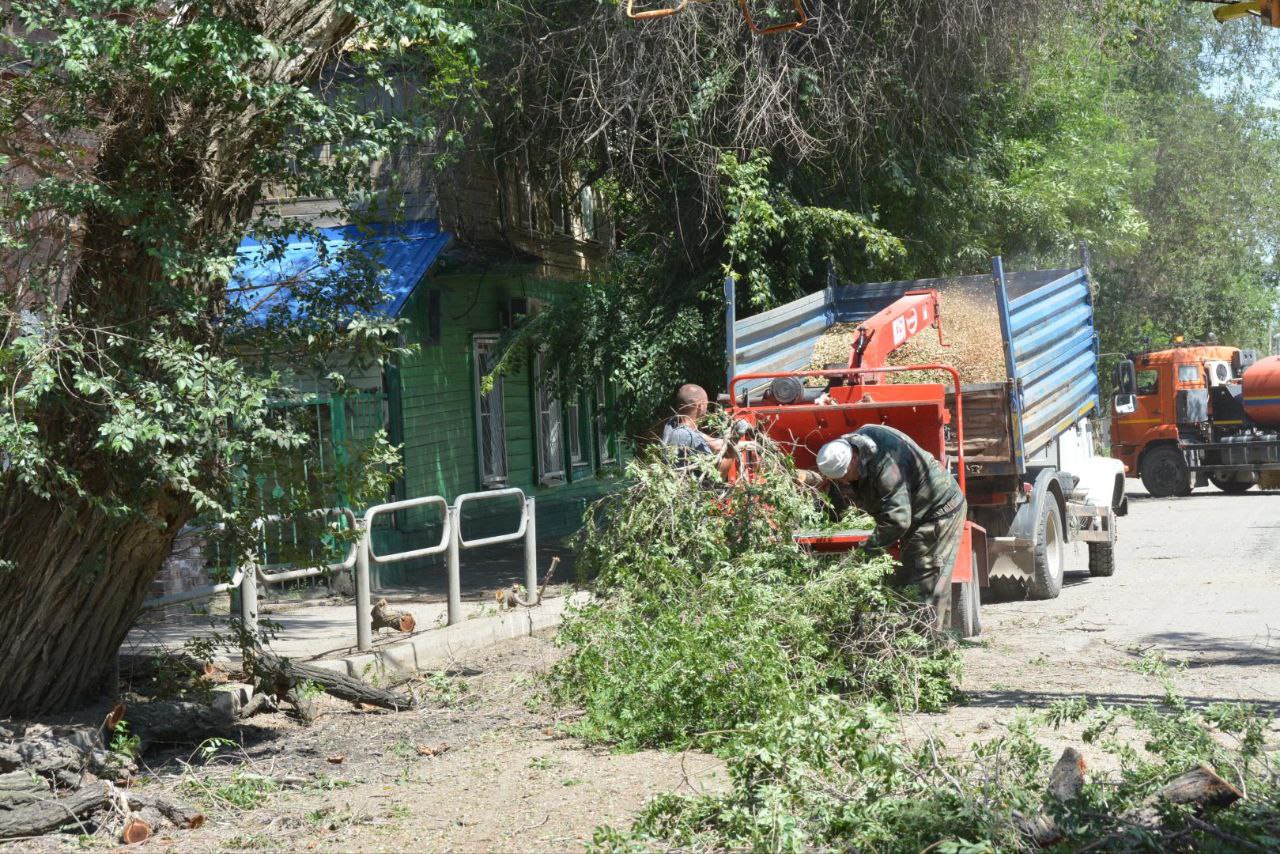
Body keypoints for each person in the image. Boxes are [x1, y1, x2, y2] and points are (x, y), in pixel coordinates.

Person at [815, 424, 967, 632]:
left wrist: (867, 549)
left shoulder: (886, 465)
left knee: (925, 579)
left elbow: (898, 521)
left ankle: (932, 650)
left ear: (853, 459)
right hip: (918, 512)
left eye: (843, 475)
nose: (843, 481)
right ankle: (914, 638)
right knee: (906, 578)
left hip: (938, 511)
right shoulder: (856, 445)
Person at [661, 383, 733, 478]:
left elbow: (712, 442)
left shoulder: (671, 425)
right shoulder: (688, 436)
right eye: (706, 404)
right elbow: (715, 478)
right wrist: (731, 451)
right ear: (701, 406)